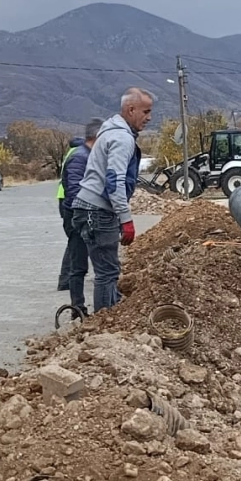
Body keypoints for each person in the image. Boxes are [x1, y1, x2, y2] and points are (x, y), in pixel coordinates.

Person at [71, 87, 153, 312]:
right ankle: (104, 328)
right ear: (131, 109)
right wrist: (126, 219)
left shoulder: (109, 132)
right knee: (107, 273)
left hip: (88, 209)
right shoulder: (122, 138)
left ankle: (107, 320)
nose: (149, 117)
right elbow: (113, 181)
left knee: (106, 271)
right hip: (96, 210)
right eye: (146, 112)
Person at [57, 120, 102, 295]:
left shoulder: (77, 152)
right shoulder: (79, 156)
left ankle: (67, 279)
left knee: (76, 246)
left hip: (69, 203)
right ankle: (67, 282)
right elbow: (75, 188)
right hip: (72, 207)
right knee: (76, 246)